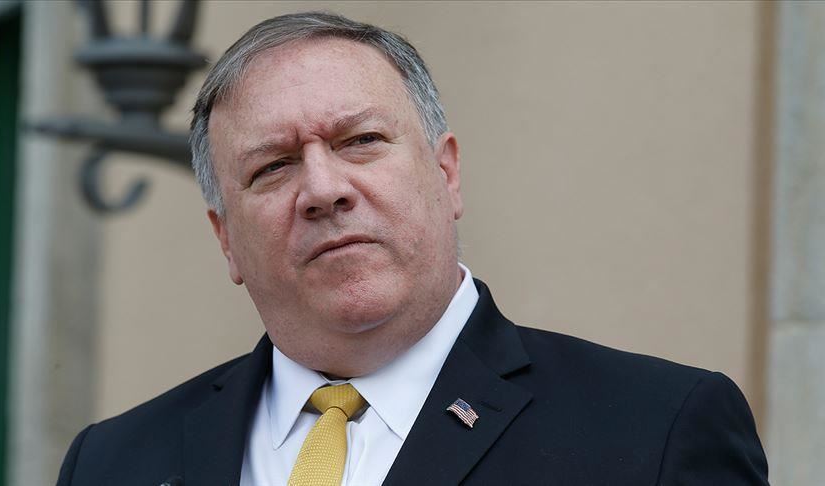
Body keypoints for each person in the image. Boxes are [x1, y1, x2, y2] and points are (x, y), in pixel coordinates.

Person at [57, 11, 768, 486]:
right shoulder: (113, 463)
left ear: (447, 173)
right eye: (273, 166)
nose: (323, 189)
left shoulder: (655, 431)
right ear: (225, 239)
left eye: (361, 141)